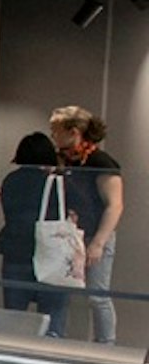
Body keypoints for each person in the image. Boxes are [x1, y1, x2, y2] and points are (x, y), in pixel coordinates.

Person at [56, 104, 123, 347]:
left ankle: (107, 344)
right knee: (61, 289)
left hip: (95, 234)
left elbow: (114, 205)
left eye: (57, 131)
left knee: (97, 294)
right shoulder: (66, 162)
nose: (54, 137)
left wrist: (98, 243)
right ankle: (56, 336)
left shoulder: (101, 162)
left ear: (73, 132)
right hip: (70, 234)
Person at [0, 129, 75, 335]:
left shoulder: (11, 181)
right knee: (53, 321)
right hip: (50, 256)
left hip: (16, 253)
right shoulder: (58, 184)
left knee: (14, 320)